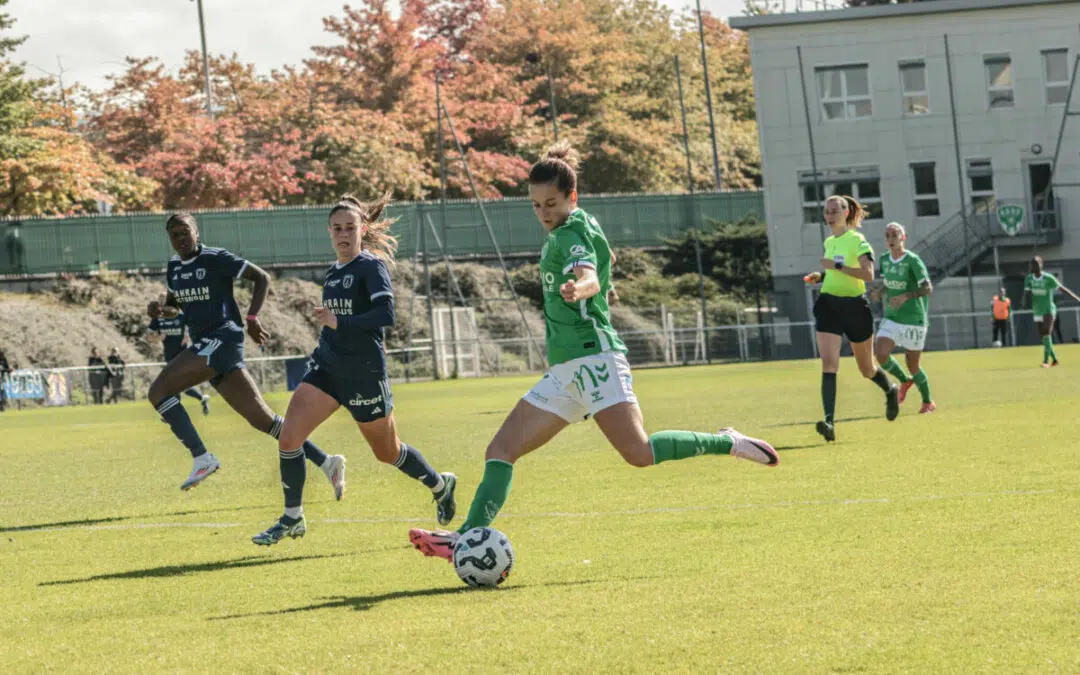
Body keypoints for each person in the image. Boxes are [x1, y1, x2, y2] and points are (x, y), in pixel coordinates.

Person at [407, 142, 777, 562]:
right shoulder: (580, 224)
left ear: (572, 197)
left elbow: (588, 275)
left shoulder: (572, 233)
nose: (543, 212)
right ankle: (467, 537)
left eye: (551, 203)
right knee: (500, 451)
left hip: (594, 358)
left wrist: (584, 285)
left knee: (638, 453)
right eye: (535, 205)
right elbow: (605, 256)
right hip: (566, 368)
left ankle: (725, 442)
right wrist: (603, 272)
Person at [252, 193, 457, 545]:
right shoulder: (332, 273)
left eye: (350, 227)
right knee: (289, 438)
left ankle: (440, 485)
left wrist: (337, 320)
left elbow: (385, 316)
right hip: (327, 370)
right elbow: (337, 323)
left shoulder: (370, 267)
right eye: (337, 228)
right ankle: (292, 517)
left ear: (362, 230)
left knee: (387, 452)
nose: (344, 234)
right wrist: (331, 327)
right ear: (329, 232)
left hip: (364, 373)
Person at [146, 212, 345, 496]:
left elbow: (261, 277)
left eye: (184, 232)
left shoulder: (215, 258)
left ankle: (202, 457)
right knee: (264, 420)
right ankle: (328, 462)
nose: (179, 239)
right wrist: (159, 310)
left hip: (222, 338)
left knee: (158, 391)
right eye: (174, 235)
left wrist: (251, 318)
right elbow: (176, 307)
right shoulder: (174, 267)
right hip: (207, 344)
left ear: (197, 232)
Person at [802, 195, 899, 443]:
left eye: (835, 211)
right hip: (828, 306)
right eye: (826, 211)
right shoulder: (830, 242)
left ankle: (890, 391)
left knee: (866, 369)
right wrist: (821, 276)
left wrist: (834, 267)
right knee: (829, 364)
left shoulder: (858, 241)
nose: (830, 215)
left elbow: (867, 274)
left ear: (846, 213)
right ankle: (829, 422)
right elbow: (836, 270)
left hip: (855, 307)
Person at [870, 223, 935, 414]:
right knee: (880, 354)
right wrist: (880, 291)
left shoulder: (913, 260)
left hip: (914, 319)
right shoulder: (884, 260)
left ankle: (927, 402)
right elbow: (889, 283)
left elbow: (928, 288)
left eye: (895, 235)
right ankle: (904, 380)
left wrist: (906, 296)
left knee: (913, 365)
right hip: (892, 316)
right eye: (887, 235)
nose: (891, 239)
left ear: (903, 237)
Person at [147, 294, 211, 415]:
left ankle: (175, 413)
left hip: (183, 355)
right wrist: (158, 337)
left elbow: (194, 326)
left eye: (163, 301)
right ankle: (201, 399)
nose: (162, 304)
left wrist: (188, 334)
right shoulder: (158, 318)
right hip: (168, 355)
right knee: (177, 384)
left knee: (173, 383)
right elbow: (149, 337)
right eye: (160, 302)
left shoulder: (180, 314)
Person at [1023, 256, 1080, 367]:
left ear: (1041, 265)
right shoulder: (1029, 278)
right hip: (1037, 309)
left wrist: (1076, 297)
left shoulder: (1048, 278)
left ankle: (1045, 362)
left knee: (1047, 332)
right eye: (1032, 264)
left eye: (1036, 263)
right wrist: (1024, 302)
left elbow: (1062, 288)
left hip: (1049, 309)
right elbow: (1027, 292)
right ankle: (1054, 359)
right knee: (1043, 337)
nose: (1034, 266)